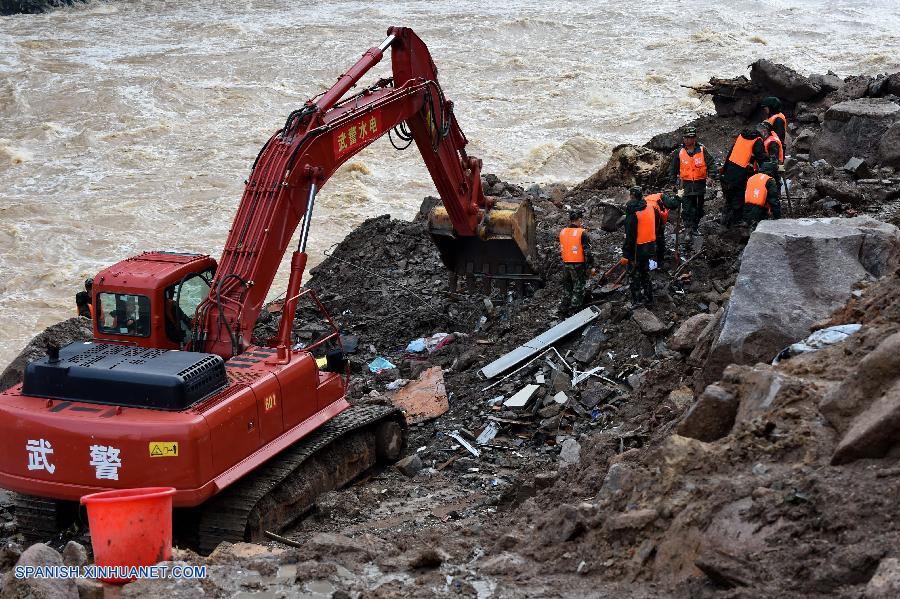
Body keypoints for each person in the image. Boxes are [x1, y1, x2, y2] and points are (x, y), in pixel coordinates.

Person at [668, 126, 718, 238]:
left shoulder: (702, 150)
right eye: (685, 137)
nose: (686, 140)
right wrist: (672, 183)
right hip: (685, 185)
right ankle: (688, 229)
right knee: (687, 208)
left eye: (688, 138)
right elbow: (673, 168)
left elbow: (711, 164)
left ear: (694, 138)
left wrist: (711, 177)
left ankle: (694, 228)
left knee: (698, 208)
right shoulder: (679, 152)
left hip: (699, 185)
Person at [622, 186, 663, 306]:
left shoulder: (632, 212)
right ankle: (649, 298)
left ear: (632, 196)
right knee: (646, 273)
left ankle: (637, 301)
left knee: (634, 275)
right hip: (650, 247)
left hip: (637, 250)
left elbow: (630, 236)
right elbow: (656, 225)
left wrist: (626, 254)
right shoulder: (650, 207)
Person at [719, 127, 767, 227]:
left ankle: (724, 220)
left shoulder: (741, 136)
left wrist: (723, 170)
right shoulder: (757, 140)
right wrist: (769, 168)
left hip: (729, 169)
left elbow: (731, 152)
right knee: (739, 196)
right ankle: (736, 221)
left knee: (729, 196)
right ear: (763, 133)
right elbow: (761, 158)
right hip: (740, 172)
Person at [558, 208, 593, 315]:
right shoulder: (582, 233)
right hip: (578, 264)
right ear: (579, 219)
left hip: (565, 264)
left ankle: (564, 307)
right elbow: (587, 252)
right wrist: (590, 266)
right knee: (579, 286)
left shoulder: (563, 231)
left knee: (567, 286)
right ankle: (574, 310)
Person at [642, 190, 680, 266]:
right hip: (653, 214)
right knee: (658, 239)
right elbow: (672, 204)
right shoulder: (662, 196)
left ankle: (646, 262)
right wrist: (678, 197)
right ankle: (658, 262)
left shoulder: (648, 198)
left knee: (646, 239)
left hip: (643, 216)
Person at [743, 162, 782, 230]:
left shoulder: (751, 178)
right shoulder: (769, 180)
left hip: (745, 210)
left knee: (750, 229)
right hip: (759, 212)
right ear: (772, 170)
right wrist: (778, 217)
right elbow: (774, 201)